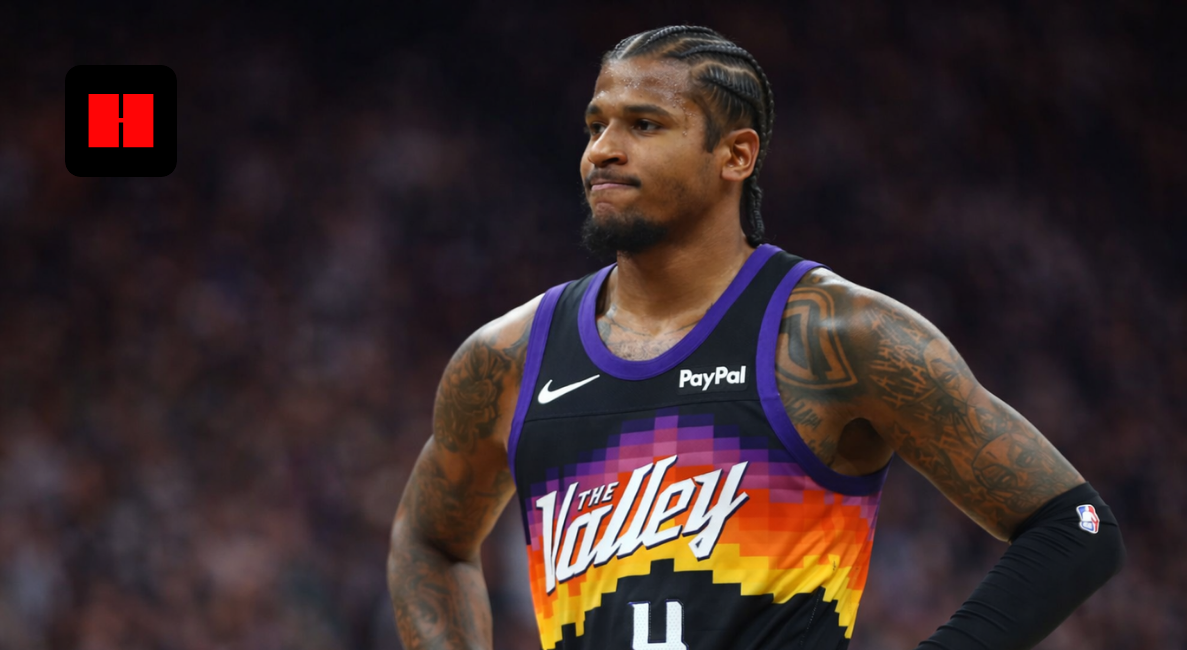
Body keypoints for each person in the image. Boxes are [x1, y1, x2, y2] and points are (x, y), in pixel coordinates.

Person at [387, 25, 1126, 650]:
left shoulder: (838, 336)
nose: (602, 151)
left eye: (644, 125)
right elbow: (430, 543)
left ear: (735, 156)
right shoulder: (507, 357)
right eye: (595, 125)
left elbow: (1077, 526)